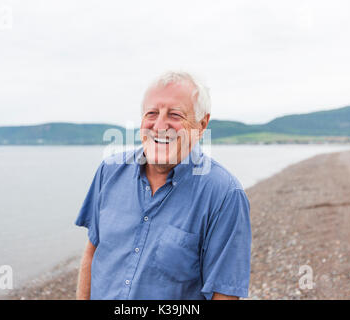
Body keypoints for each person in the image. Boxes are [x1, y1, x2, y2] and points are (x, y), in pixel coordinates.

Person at [75, 71, 251, 300]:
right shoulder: (109, 171)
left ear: (201, 124)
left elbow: (225, 292)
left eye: (175, 115)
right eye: (152, 113)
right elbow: (92, 253)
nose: (159, 125)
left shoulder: (225, 195)